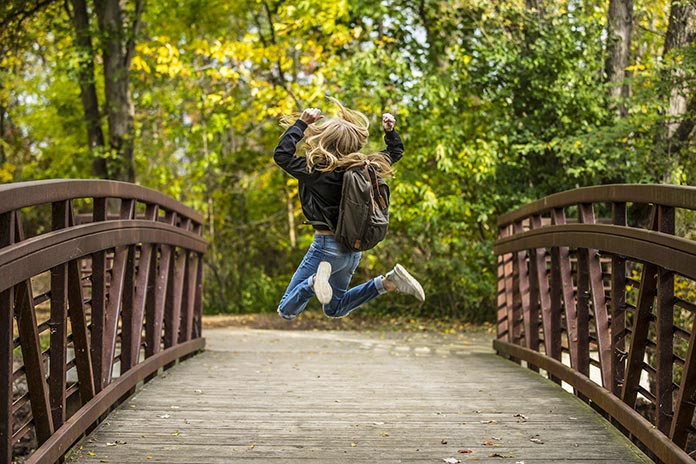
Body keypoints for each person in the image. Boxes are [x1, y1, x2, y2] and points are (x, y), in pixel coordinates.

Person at [274, 97, 425, 321]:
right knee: (335, 308)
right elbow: (395, 153)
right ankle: (388, 282)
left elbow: (282, 155)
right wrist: (390, 132)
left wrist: (302, 124)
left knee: (286, 310)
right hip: (352, 250)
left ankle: (314, 282)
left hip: (326, 248)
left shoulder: (315, 171)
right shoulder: (366, 167)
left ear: (325, 139)